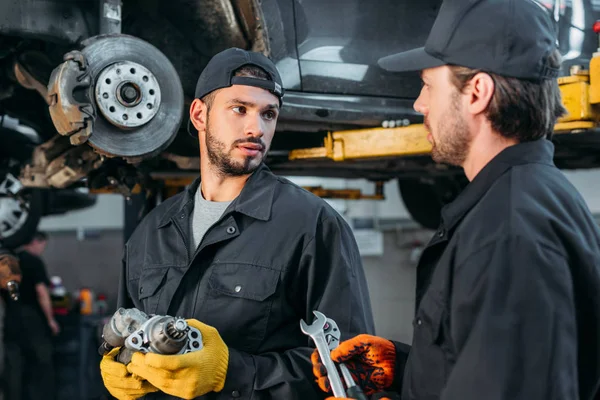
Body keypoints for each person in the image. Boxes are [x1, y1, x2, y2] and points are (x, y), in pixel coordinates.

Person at [312, 0, 600, 399]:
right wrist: (409, 367)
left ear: (477, 92)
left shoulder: (509, 233)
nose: (419, 104)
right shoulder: (534, 199)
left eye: (429, 85)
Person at [99, 47, 375, 400]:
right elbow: (127, 332)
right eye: (240, 109)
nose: (256, 128)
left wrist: (232, 372)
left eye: (269, 114)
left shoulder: (313, 226)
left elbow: (353, 368)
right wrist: (118, 363)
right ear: (199, 115)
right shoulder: (150, 233)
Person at [3, 231, 60, 400]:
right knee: (42, 363)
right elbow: (41, 292)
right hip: (32, 318)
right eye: (43, 245)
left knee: (14, 365)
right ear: (36, 242)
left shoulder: (9, 261)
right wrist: (50, 320)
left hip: (11, 317)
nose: (42, 249)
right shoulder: (33, 261)